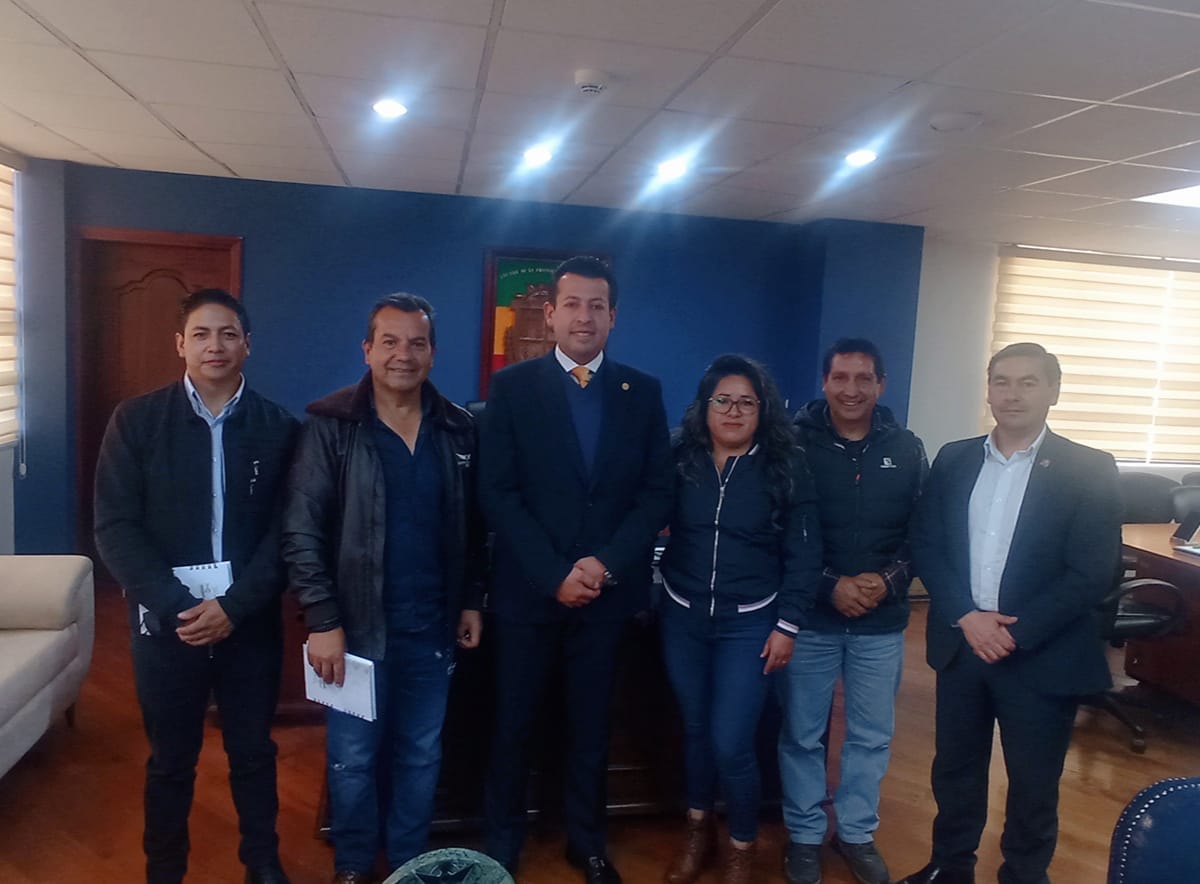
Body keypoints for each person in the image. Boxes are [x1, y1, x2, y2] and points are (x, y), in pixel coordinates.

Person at [896, 342, 1122, 884]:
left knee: (1033, 783)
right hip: (962, 645)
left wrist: (1015, 633)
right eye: (1002, 381)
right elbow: (927, 542)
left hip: (1040, 653)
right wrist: (966, 615)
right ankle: (950, 868)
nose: (1012, 394)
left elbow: (1092, 570)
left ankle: (1023, 875)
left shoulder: (1089, 467)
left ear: (1053, 392)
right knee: (955, 771)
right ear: (989, 391)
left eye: (1028, 382)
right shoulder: (954, 458)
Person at [479, 256, 674, 884]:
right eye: (572, 304)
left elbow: (656, 493)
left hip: (606, 598)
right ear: (550, 313)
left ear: (613, 317)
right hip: (529, 594)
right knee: (513, 725)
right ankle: (501, 844)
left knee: (591, 727)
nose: (584, 316)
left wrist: (606, 564)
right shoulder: (512, 389)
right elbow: (497, 492)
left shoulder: (642, 392)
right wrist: (554, 572)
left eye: (597, 306)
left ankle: (587, 843)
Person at [93, 289, 298, 884]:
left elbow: (287, 533)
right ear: (180, 344)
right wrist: (180, 607)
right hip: (168, 625)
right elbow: (114, 527)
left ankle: (262, 864)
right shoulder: (136, 421)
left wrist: (233, 607)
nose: (216, 346)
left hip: (247, 622)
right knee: (170, 760)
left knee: (254, 753)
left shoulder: (279, 427)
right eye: (202, 334)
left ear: (247, 345)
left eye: (228, 334)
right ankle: (165, 870)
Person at [282, 294, 485, 884]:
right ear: (367, 350)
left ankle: (406, 865)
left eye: (417, 343)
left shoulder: (458, 429)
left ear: (432, 353)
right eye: (390, 342)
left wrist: (471, 598)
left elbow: (475, 527)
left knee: (421, 755)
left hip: (432, 626)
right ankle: (352, 865)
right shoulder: (331, 426)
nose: (404, 355)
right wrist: (322, 619)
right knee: (353, 758)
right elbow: (301, 530)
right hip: (353, 630)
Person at [658, 354, 822, 884]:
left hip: (749, 624)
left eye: (746, 402)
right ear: (704, 407)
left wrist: (788, 625)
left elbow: (804, 554)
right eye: (722, 400)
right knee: (695, 731)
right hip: (683, 617)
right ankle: (697, 829)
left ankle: (741, 846)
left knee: (731, 741)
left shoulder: (785, 464)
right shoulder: (680, 455)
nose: (733, 411)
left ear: (762, 409)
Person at [778, 339, 927, 884]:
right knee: (802, 734)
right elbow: (777, 530)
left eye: (864, 378)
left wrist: (887, 582)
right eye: (840, 377)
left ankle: (857, 832)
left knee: (871, 734)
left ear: (881, 385)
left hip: (880, 623)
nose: (851, 390)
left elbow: (923, 532)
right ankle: (805, 834)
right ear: (824, 382)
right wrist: (829, 586)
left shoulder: (907, 448)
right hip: (812, 619)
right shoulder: (793, 445)